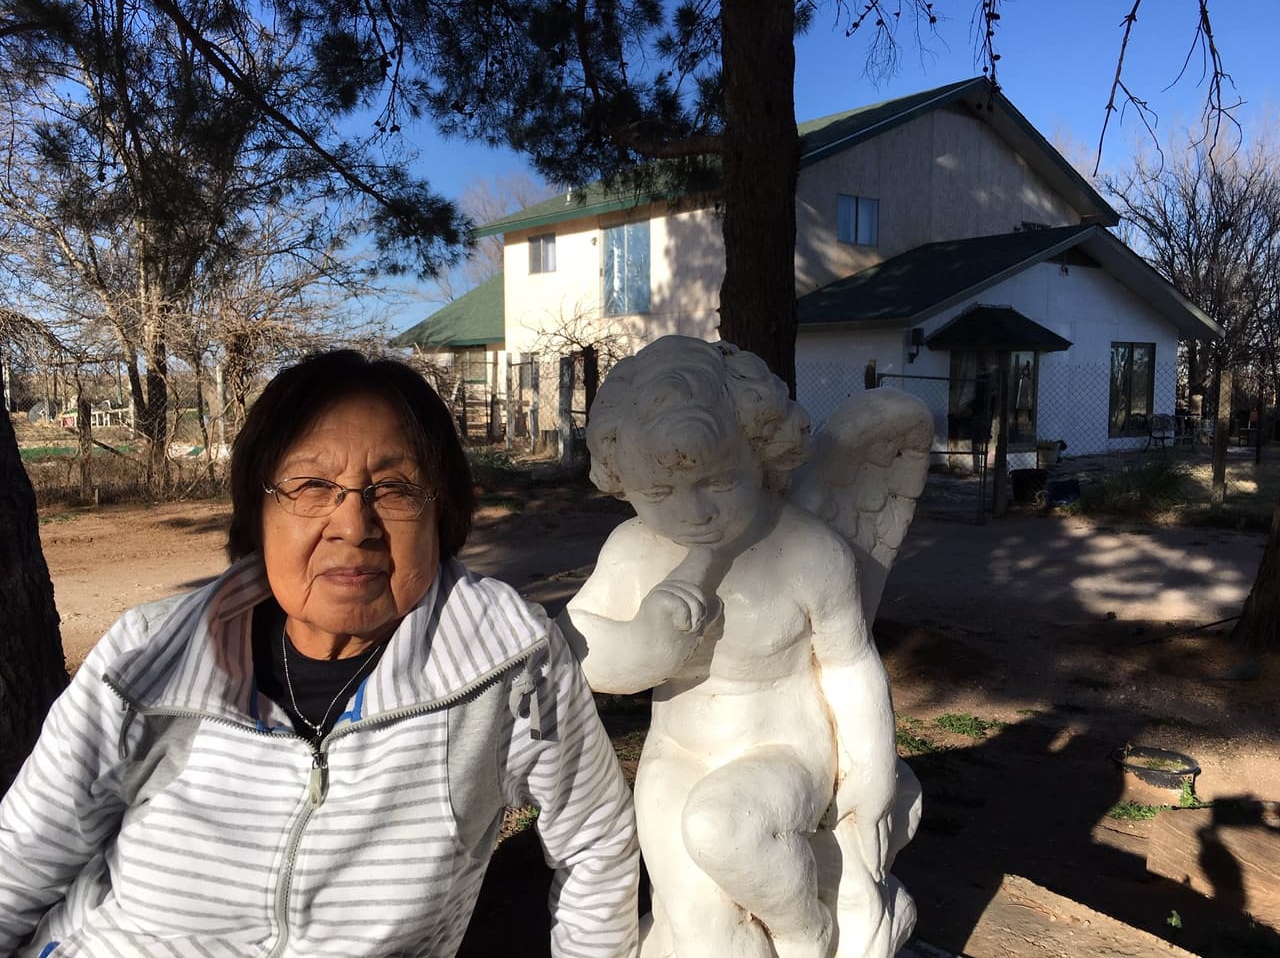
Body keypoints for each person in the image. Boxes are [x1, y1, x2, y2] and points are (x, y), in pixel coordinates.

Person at [0, 350, 639, 958]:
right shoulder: (152, 656)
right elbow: (22, 856)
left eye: (393, 488)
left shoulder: (508, 662)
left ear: (440, 513)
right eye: (312, 485)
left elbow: (596, 844)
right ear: (259, 510)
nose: (353, 525)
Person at [559, 337, 913, 958]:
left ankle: (812, 930)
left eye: (719, 481)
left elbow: (851, 664)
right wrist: (636, 650)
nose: (693, 513)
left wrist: (875, 768)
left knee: (721, 826)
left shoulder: (810, 551)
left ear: (764, 456)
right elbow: (574, 650)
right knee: (698, 933)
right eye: (661, 494)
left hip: (784, 752)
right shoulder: (633, 550)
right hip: (676, 754)